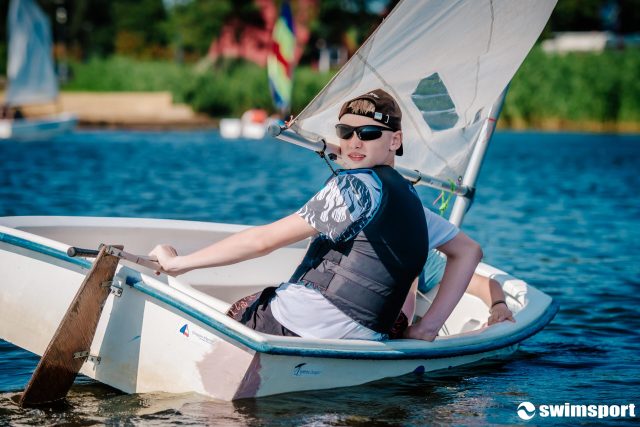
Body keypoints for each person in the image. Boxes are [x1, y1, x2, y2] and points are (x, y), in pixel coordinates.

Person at [150, 88, 482, 341]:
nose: (354, 142)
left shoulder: (354, 187)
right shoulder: (410, 201)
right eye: (345, 132)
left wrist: (180, 264)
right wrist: (427, 328)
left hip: (302, 323)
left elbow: (263, 241)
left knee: (240, 309)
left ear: (395, 140)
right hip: (365, 336)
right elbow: (469, 251)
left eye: (367, 134)